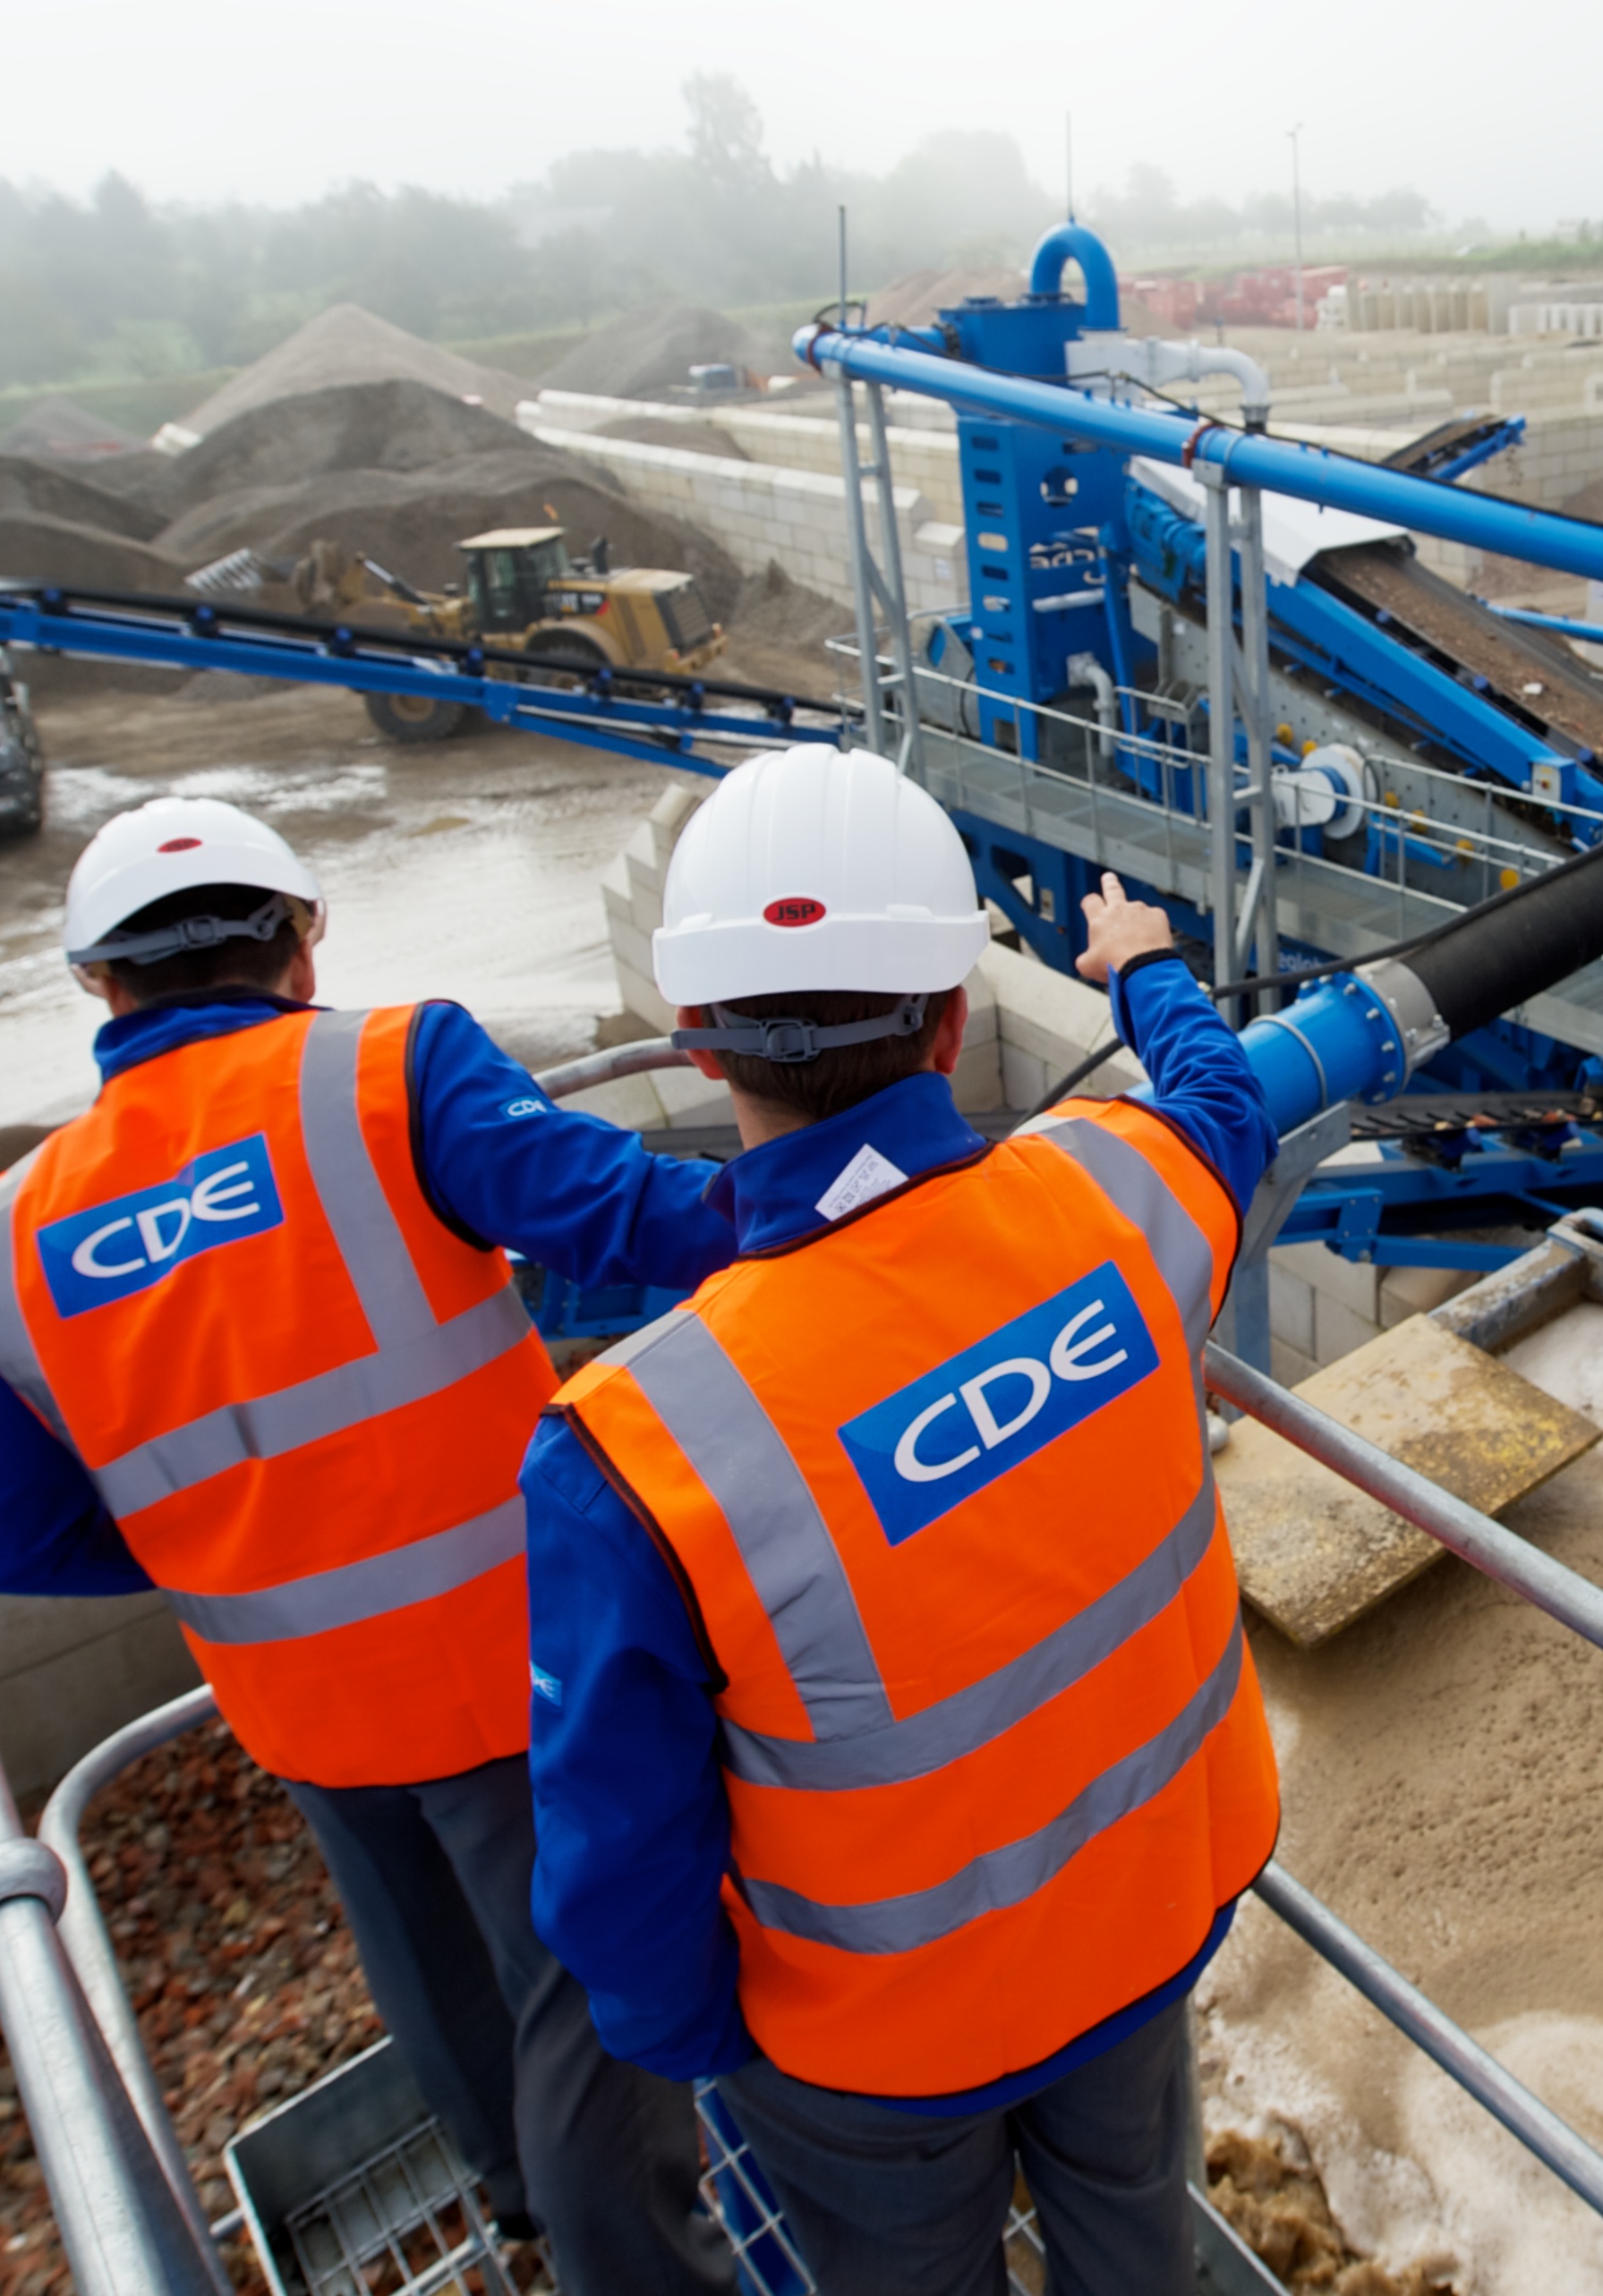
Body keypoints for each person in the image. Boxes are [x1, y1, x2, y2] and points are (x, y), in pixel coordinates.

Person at [0, 794, 735, 2292]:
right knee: (594, 2005)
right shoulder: (382, 1070)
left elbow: (21, 1535)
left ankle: (514, 2211)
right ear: (298, 943)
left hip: (298, 1700)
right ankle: (640, 2272)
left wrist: (238, 1544)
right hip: (518, 1667)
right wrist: (853, 1190)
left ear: (99, 987)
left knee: (431, 1971)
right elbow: (617, 1215)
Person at [522, 745, 1281, 2296]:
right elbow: (1223, 1099)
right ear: (948, 1018)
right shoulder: (1118, 1200)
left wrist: (718, 2040)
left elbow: (621, 1861)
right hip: (1139, 1930)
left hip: (876, 2045)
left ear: (696, 1041)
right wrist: (1143, 972)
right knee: (1134, 2232)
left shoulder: (634, 1446)